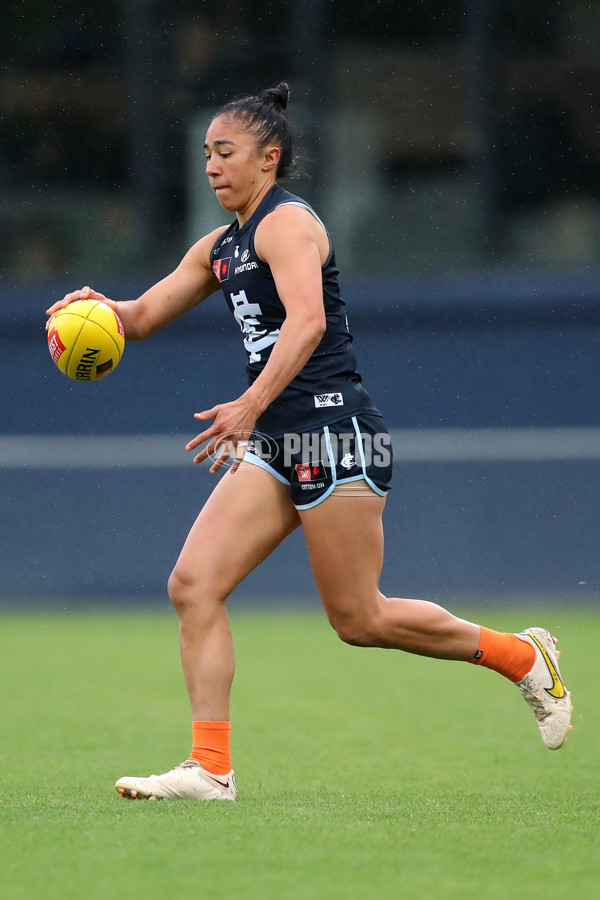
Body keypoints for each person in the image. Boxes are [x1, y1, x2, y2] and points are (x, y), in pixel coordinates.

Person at [46, 83, 572, 803]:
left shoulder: (286, 225)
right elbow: (139, 317)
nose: (211, 166)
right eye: (205, 154)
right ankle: (211, 768)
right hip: (277, 438)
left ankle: (522, 656)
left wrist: (249, 405)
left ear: (270, 157)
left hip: (333, 432)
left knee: (360, 619)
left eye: (225, 152)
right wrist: (95, 307)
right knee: (193, 585)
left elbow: (308, 325)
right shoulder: (222, 244)